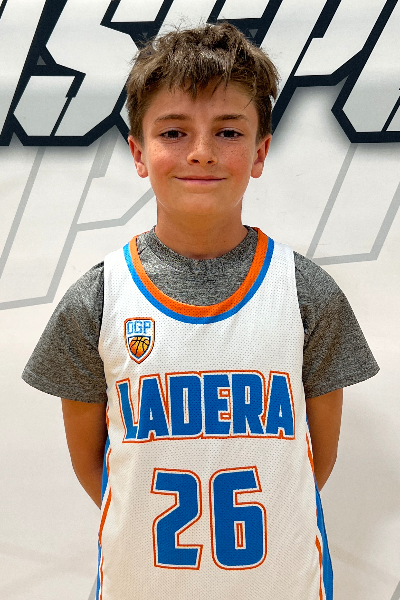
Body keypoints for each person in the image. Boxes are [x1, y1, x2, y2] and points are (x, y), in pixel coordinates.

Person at [22, 23, 379, 600]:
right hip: (143, 583)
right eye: (173, 131)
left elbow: (315, 461)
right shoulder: (99, 298)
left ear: (260, 151)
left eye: (228, 131)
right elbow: (97, 469)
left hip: (281, 583)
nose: (201, 152)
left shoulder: (305, 292)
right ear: (138, 152)